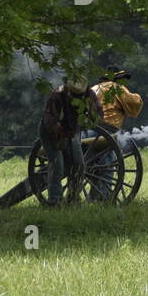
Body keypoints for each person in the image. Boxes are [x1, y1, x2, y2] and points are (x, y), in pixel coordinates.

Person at [82, 69, 144, 200]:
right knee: (107, 167)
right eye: (122, 78)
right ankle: (103, 197)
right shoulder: (115, 88)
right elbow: (134, 104)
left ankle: (94, 196)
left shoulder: (93, 88)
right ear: (115, 78)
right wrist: (138, 96)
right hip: (106, 133)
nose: (124, 82)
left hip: (87, 133)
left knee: (94, 168)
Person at [40, 78, 103, 206]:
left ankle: (73, 199)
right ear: (69, 90)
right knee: (57, 166)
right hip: (52, 132)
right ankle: (54, 202)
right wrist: (62, 138)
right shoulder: (57, 96)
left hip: (72, 131)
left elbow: (99, 114)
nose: (78, 97)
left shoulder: (89, 94)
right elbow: (49, 121)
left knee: (79, 165)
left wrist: (90, 119)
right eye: (75, 95)